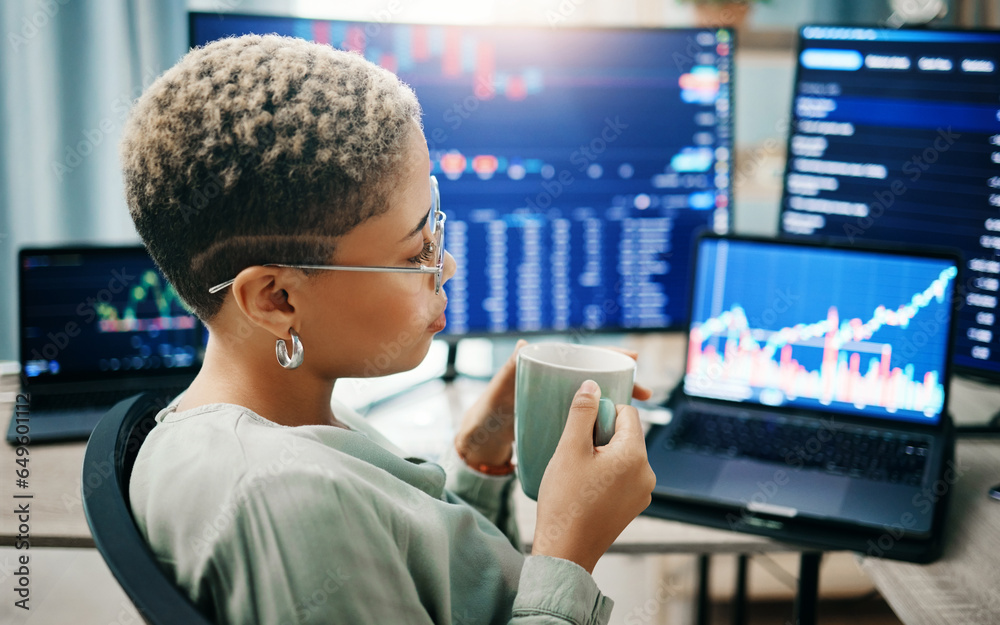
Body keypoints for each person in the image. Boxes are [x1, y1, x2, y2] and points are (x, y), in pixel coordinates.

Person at [121, 33, 656, 624]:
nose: (444, 264)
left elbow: (443, 588)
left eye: (437, 233)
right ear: (276, 299)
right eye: (415, 252)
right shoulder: (291, 501)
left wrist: (480, 464)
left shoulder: (301, 418)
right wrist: (568, 551)